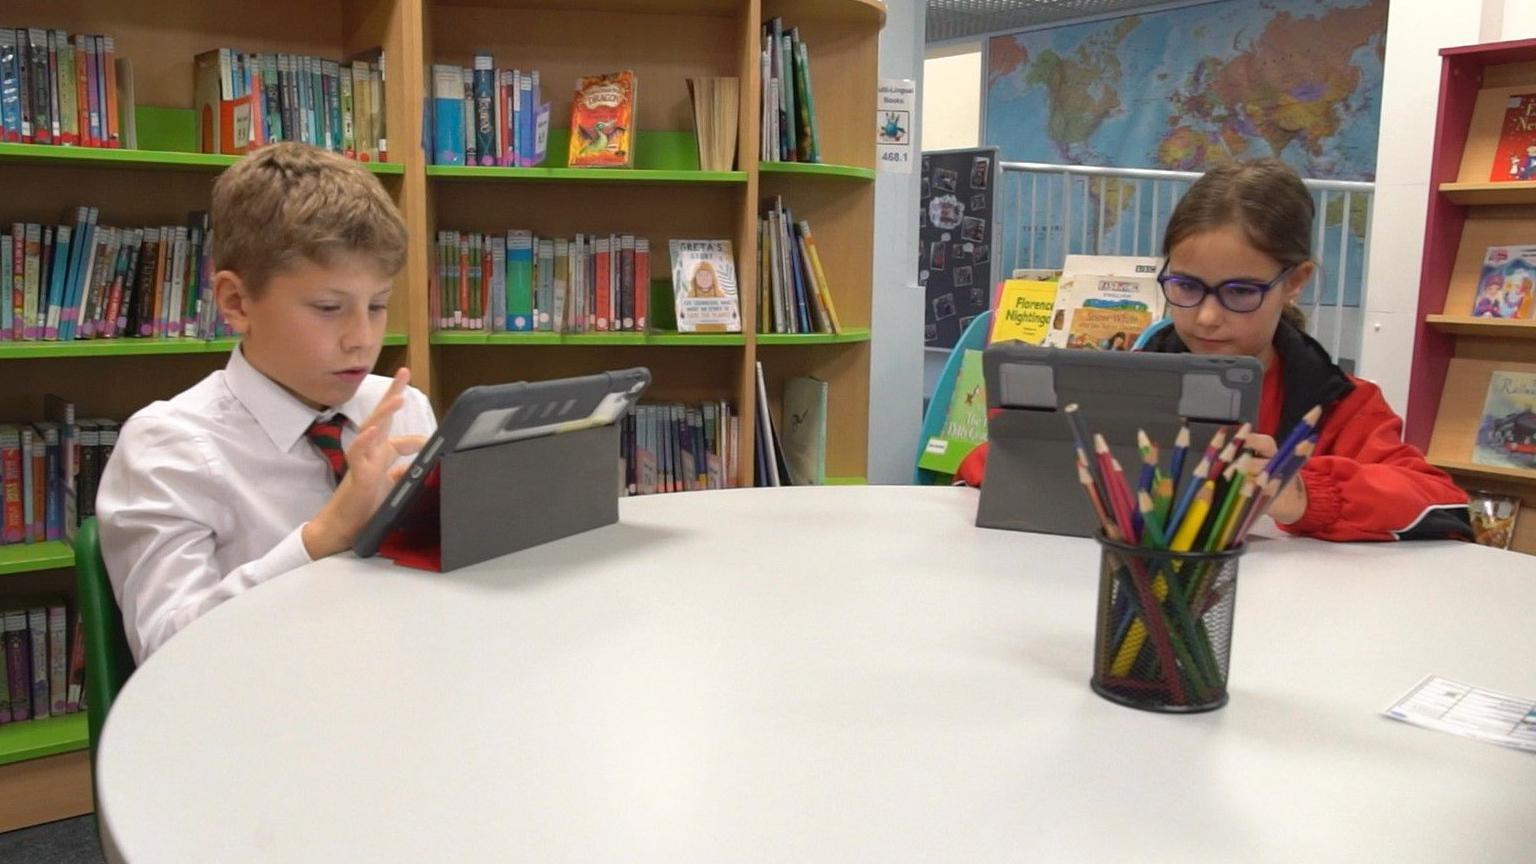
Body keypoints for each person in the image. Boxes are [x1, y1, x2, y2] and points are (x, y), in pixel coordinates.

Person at [957, 159, 1472, 543]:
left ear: (1296, 281)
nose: (1206, 317)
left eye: (1240, 292)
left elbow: (1444, 504)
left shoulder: (1340, 405)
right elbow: (989, 464)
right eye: (1185, 286)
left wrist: (1304, 494)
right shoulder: (1120, 384)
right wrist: (1038, 449)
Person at [97, 143, 437, 662]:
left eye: (378, 305)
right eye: (328, 308)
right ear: (236, 302)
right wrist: (322, 538)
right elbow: (167, 651)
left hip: (395, 680)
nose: (362, 339)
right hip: (256, 714)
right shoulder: (168, 446)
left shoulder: (402, 408)